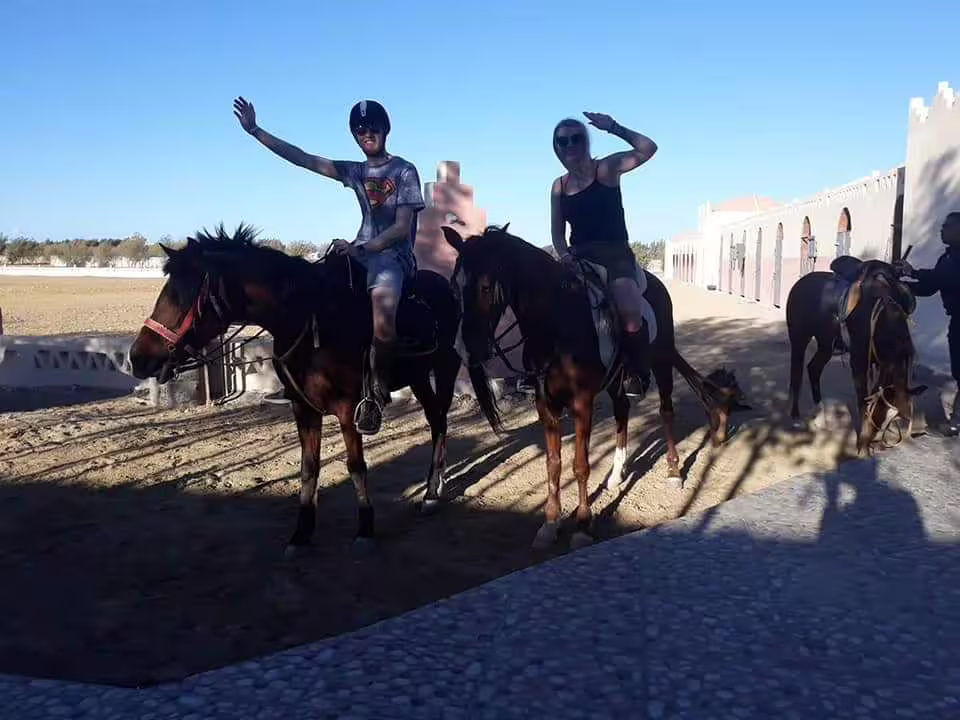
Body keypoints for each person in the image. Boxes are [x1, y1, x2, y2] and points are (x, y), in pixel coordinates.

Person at [233, 96, 425, 435]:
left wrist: (360, 247)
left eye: (373, 128)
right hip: (360, 251)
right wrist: (255, 131)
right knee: (314, 291)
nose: (367, 134)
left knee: (383, 316)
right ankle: (306, 374)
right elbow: (305, 159)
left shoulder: (405, 170)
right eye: (360, 130)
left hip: (393, 256)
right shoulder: (355, 170)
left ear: (386, 130)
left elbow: (400, 229)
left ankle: (377, 394)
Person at [550, 111, 658, 398]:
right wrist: (564, 256)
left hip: (615, 254)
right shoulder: (558, 186)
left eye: (576, 139)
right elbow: (558, 235)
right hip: (578, 257)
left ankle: (637, 371)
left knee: (630, 313)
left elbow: (648, 149)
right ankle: (541, 370)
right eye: (562, 141)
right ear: (556, 148)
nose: (569, 145)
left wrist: (614, 127)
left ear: (586, 142)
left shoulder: (607, 169)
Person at [895, 211, 960, 436]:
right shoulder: (947, 257)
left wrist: (912, 271)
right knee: (959, 370)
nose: (942, 230)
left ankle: (957, 421)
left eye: (947, 226)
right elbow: (931, 287)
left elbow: (945, 280)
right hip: (957, 319)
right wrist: (903, 286)